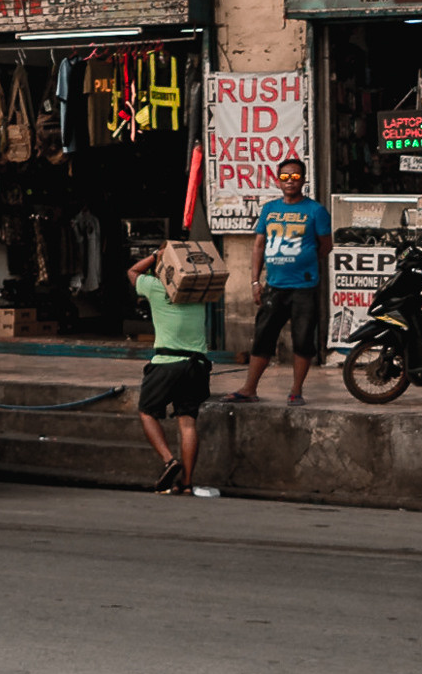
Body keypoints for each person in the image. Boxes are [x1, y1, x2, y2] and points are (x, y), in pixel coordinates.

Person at [231, 159, 331, 405]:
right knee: (263, 337)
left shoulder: (316, 211)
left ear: (303, 180)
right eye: (285, 177)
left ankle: (296, 391)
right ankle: (249, 389)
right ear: (278, 181)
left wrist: (303, 262)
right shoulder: (269, 209)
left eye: (295, 177)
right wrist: (255, 282)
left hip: (304, 288)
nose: (290, 181)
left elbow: (326, 246)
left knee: (303, 340)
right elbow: (258, 246)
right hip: (274, 287)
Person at [127, 247, 209, 494]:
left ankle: (169, 460)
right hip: (197, 365)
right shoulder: (199, 292)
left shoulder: (155, 287)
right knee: (188, 423)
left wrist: (155, 255)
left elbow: (132, 272)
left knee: (147, 412)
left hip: (166, 362)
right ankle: (187, 483)